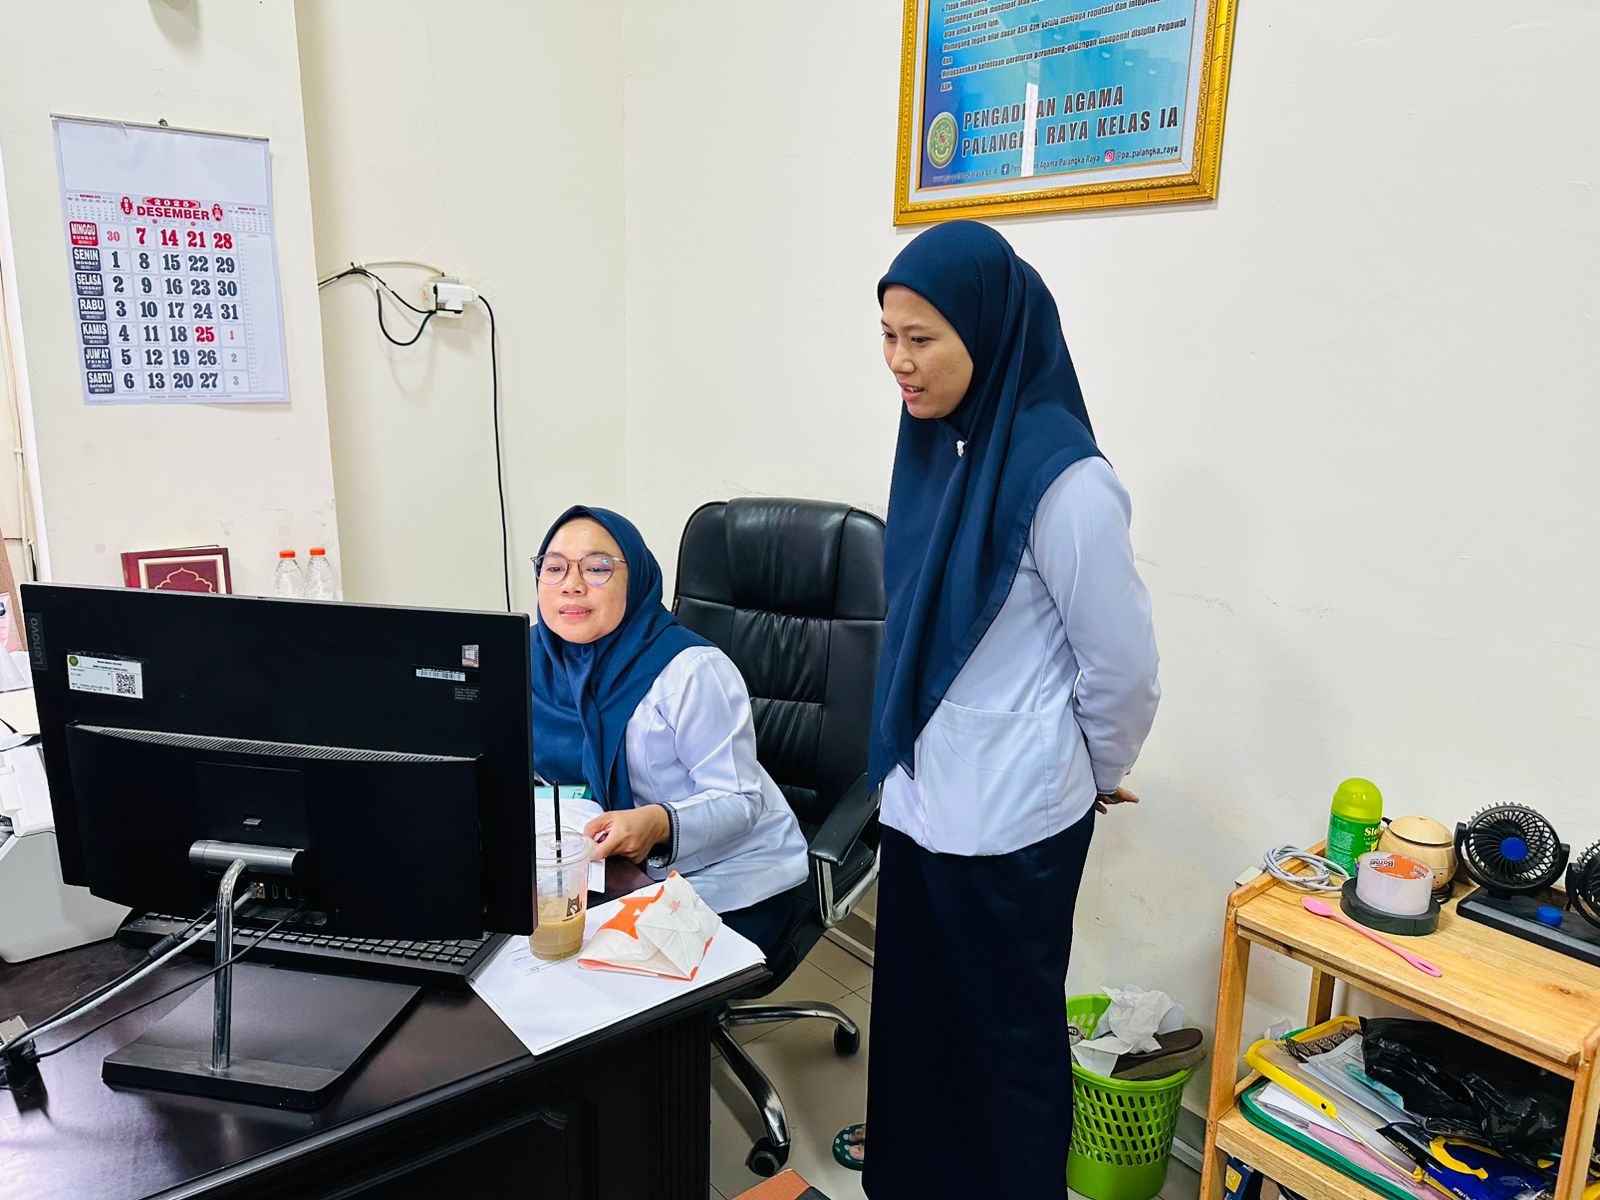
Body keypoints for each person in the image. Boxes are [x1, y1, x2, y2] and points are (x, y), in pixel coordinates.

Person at [836, 222, 1161, 1196]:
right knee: (918, 1029)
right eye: (887, 335)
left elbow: (1124, 670)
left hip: (1015, 821)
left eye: (921, 338)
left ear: (985, 332)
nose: (899, 361)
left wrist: (1095, 771)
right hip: (921, 799)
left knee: (1002, 1047)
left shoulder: (1069, 484)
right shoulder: (940, 446)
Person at [529, 505, 809, 957]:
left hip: (723, 876)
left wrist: (658, 823)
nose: (571, 584)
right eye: (555, 567)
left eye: (597, 568)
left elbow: (740, 799)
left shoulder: (692, 671)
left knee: (607, 984)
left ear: (636, 579)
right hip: (599, 871)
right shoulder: (528, 661)